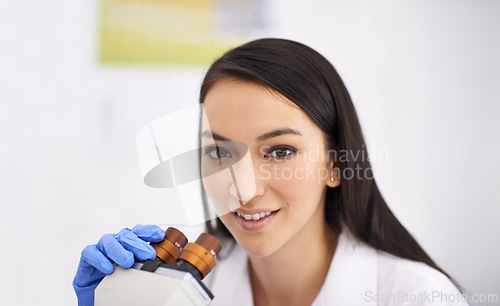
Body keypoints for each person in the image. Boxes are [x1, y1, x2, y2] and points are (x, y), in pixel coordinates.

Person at [73, 38, 468, 306]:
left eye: (280, 151)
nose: (243, 189)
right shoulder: (184, 290)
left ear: (335, 163)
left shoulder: (418, 295)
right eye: (219, 152)